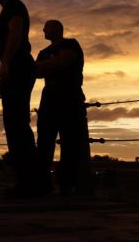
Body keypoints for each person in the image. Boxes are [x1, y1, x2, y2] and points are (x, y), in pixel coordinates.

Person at [0, 0, 49, 197]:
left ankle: (32, 183)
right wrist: (3, 77)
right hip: (16, 68)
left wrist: (5, 64)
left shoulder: (15, 6)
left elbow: (15, 34)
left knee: (16, 124)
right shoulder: (9, 9)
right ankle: (33, 181)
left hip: (19, 67)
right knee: (15, 123)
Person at [35, 20, 93, 195]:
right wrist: (52, 64)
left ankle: (67, 184)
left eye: (47, 26)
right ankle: (43, 183)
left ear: (57, 29)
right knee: (44, 141)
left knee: (70, 142)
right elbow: (37, 72)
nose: (43, 29)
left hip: (70, 97)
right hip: (49, 98)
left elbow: (62, 62)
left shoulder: (71, 44)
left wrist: (49, 65)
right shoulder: (43, 52)